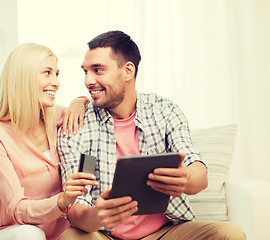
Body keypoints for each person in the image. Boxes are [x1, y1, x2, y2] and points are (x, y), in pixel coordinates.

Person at [58, 30, 246, 240]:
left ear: (128, 71)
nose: (88, 80)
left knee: (230, 234)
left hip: (165, 233)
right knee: (70, 238)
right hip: (105, 235)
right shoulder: (78, 124)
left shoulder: (164, 110)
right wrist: (97, 216)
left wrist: (186, 179)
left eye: (98, 70)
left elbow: (199, 175)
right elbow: (75, 207)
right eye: (85, 71)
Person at [0, 43, 98, 240]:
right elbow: (19, 210)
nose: (56, 82)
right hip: (14, 233)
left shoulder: (59, 117)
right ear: (22, 78)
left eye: (57, 74)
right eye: (47, 73)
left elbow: (95, 116)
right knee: (31, 234)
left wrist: (80, 101)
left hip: (59, 235)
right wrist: (62, 200)